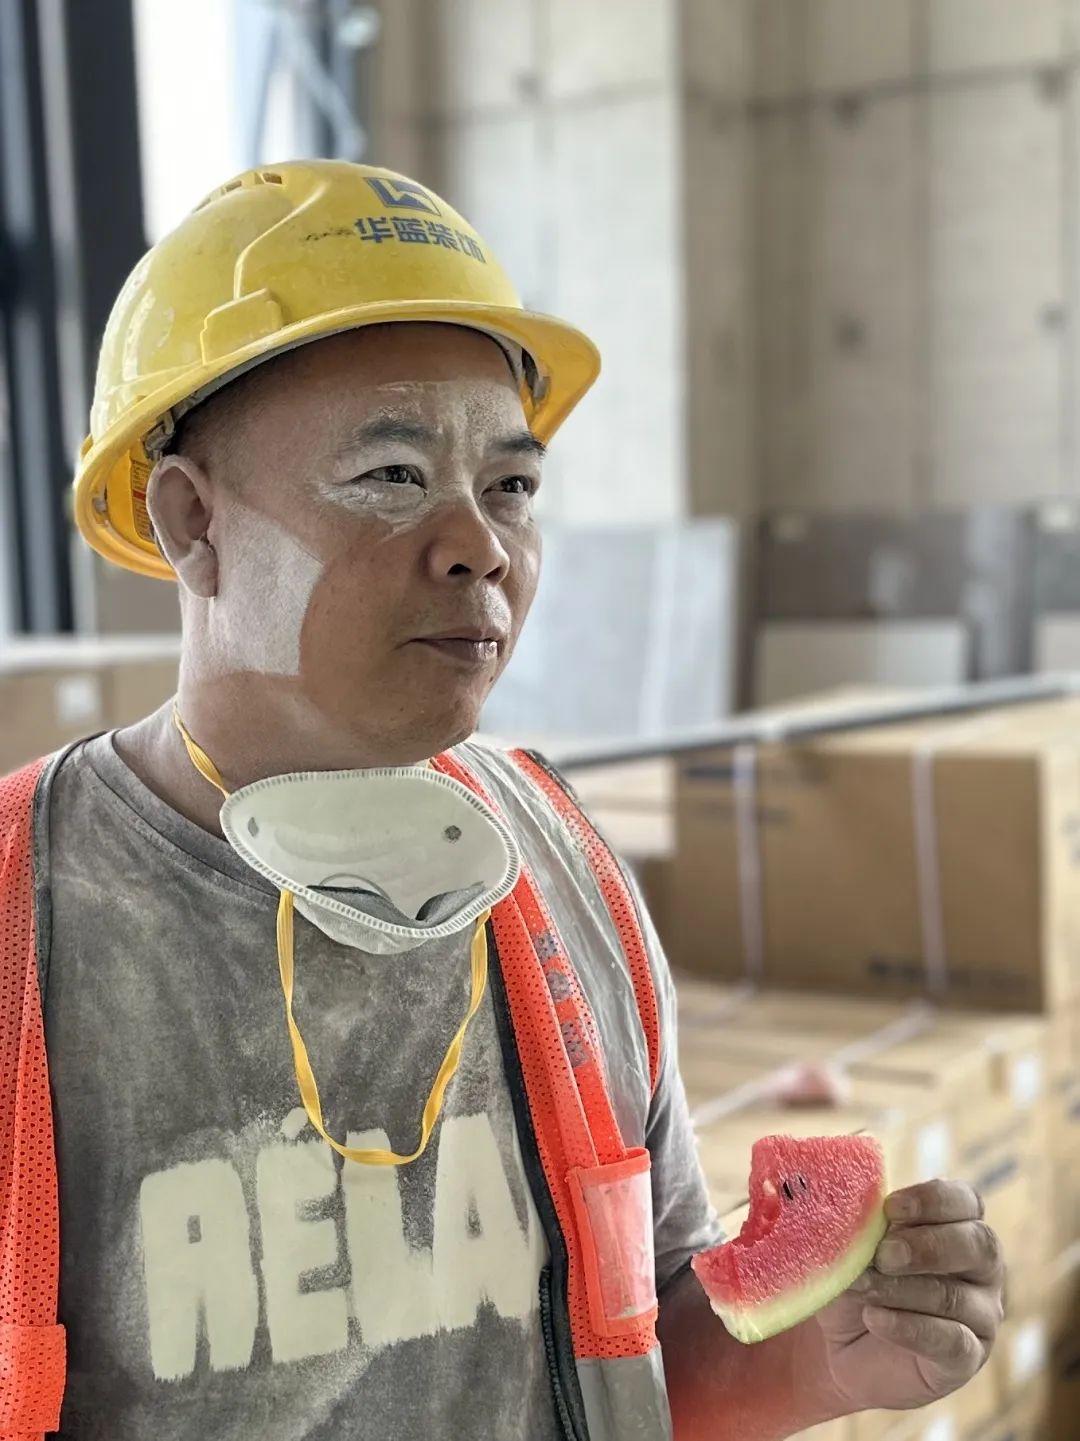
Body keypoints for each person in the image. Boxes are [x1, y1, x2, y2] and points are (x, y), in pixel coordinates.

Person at [0, 161, 1003, 1441]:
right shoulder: (28, 920)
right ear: (192, 520)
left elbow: (640, 1347)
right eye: (392, 475)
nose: (480, 544)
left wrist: (822, 1360)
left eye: (512, 486)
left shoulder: (560, 861)